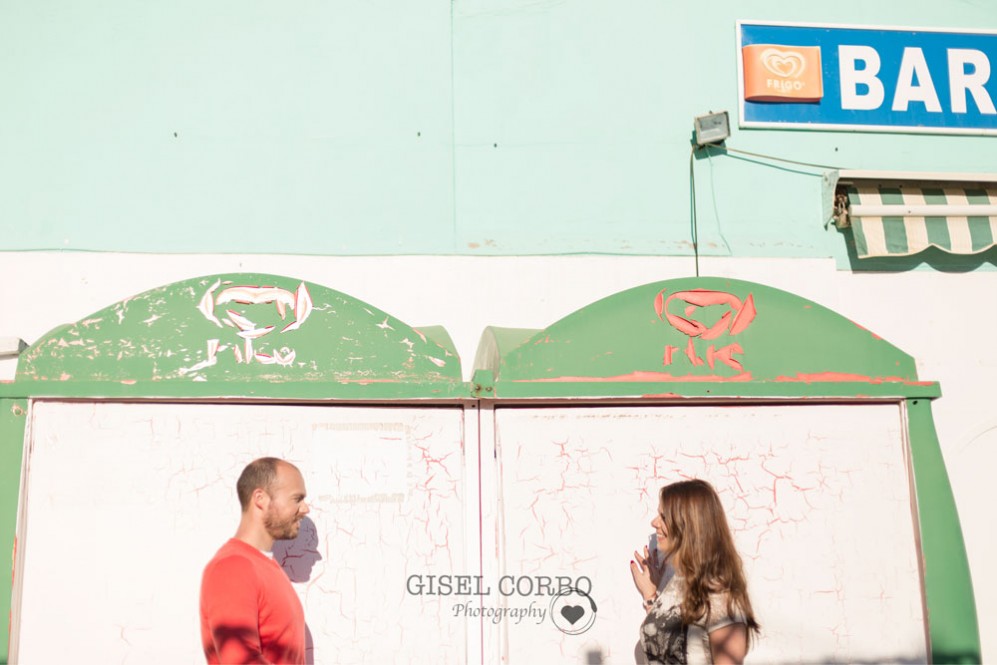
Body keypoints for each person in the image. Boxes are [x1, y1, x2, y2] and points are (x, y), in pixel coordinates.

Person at [629, 479, 759, 665]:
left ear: (688, 524)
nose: (654, 522)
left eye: (664, 517)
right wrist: (652, 595)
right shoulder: (680, 580)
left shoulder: (720, 595)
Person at [200, 457, 310, 664]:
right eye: (297, 499)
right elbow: (240, 660)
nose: (305, 509)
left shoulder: (266, 567)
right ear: (260, 498)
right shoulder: (232, 567)